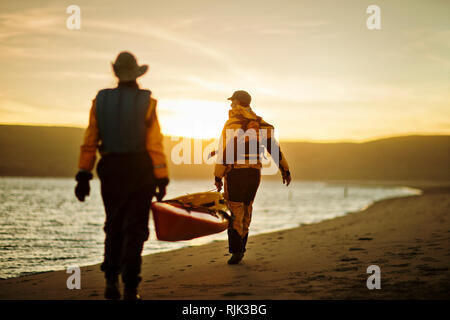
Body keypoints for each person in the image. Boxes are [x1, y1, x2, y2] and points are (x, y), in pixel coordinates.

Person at [74, 51, 169, 300]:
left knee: (113, 225)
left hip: (111, 168)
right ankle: (130, 287)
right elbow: (155, 144)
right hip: (140, 170)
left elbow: (90, 140)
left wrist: (83, 175)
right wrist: (161, 177)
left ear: (116, 74)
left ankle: (110, 281)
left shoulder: (100, 101)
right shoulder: (148, 102)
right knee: (136, 228)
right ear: (137, 75)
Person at [214, 90, 291, 265]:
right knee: (247, 209)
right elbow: (274, 148)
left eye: (232, 101)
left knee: (235, 210)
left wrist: (218, 175)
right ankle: (241, 247)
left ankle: (237, 250)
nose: (230, 104)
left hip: (236, 173)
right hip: (254, 174)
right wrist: (285, 170)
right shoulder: (262, 125)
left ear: (238, 102)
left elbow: (227, 151)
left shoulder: (231, 124)